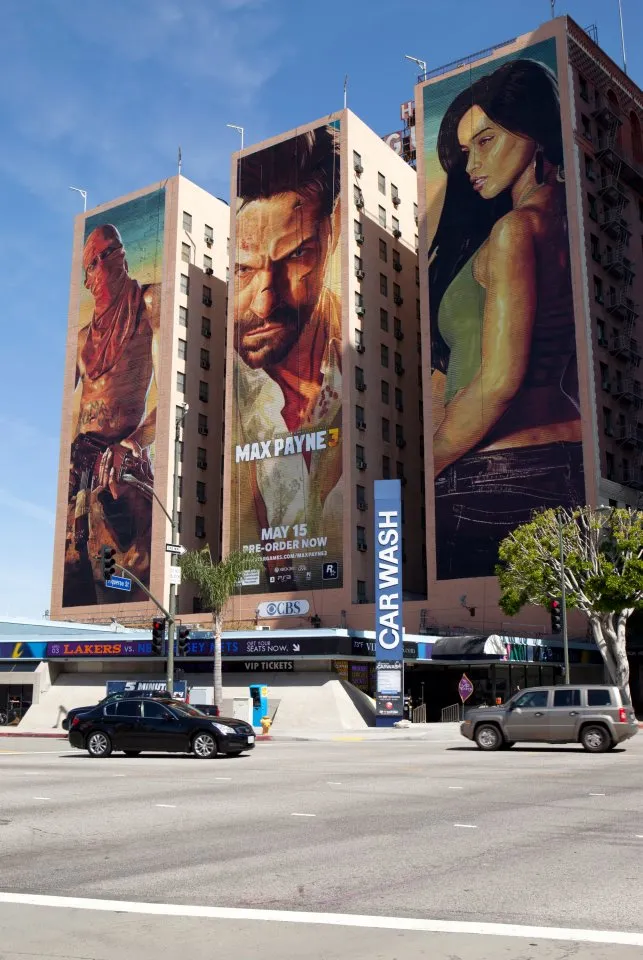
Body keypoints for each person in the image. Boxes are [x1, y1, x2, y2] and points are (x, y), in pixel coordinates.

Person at [428, 57, 584, 580]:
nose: (472, 164)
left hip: (503, 475)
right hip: (572, 457)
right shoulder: (573, 219)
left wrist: (425, 472)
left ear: (534, 132)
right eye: (466, 151)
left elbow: (497, 384)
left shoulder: (516, 230)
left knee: (468, 613)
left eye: (487, 141)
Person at [231, 125, 342, 590]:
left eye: (295, 256)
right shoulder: (228, 390)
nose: (263, 301)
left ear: (333, 233)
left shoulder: (352, 368)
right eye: (243, 269)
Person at [63, 224, 160, 605]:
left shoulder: (148, 303)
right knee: (74, 568)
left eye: (111, 251)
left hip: (118, 458)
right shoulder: (82, 340)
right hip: (80, 463)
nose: (105, 263)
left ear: (123, 255)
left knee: (125, 570)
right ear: (87, 277)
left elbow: (172, 395)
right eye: (95, 260)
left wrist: (133, 443)